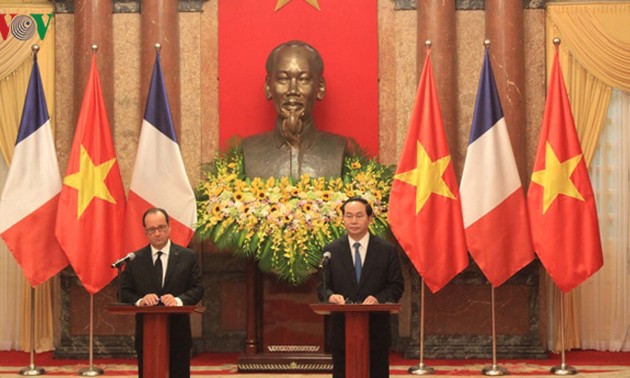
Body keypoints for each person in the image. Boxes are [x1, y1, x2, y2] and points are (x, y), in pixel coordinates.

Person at [318, 197, 404, 378]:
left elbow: (397, 285)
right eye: (348, 216)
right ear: (342, 219)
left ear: (370, 218)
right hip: (342, 331)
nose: (354, 221)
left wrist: (379, 299)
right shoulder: (331, 251)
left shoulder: (386, 250)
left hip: (376, 331)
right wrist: (331, 296)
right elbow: (322, 287)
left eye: (359, 216)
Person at [242, 40, 347, 179]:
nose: (292, 90)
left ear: (320, 87)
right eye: (282, 79)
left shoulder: (339, 149)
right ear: (268, 87)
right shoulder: (249, 150)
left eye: (303, 79)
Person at [120, 207, 204, 378]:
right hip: (147, 337)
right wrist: (141, 300)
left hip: (178, 334)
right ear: (145, 232)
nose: (157, 233)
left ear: (169, 227)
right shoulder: (135, 259)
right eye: (152, 229)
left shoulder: (187, 256)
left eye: (161, 227)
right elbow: (124, 292)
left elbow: (198, 288)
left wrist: (179, 301)